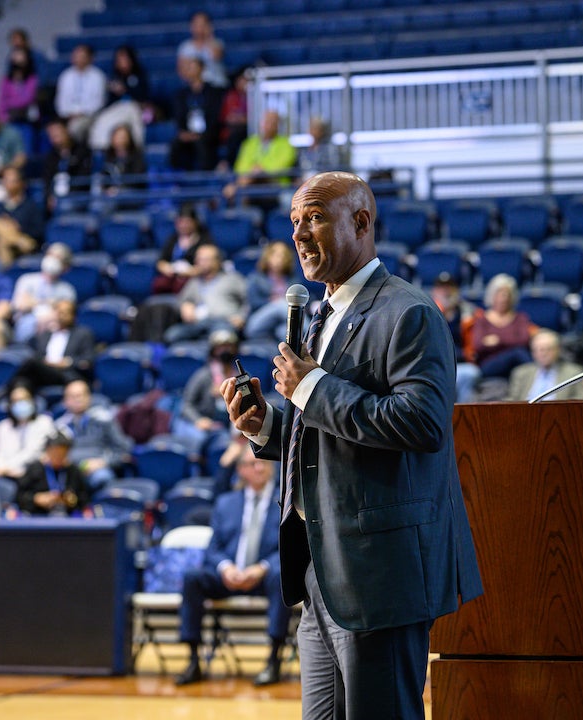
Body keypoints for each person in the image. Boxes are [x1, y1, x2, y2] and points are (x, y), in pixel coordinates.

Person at [220, 171, 482, 718]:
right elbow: (326, 435)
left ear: (361, 222)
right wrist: (264, 427)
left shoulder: (408, 313)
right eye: (294, 222)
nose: (299, 235)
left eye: (314, 218)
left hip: (378, 575)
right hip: (320, 569)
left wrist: (312, 387)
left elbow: (422, 423)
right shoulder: (322, 316)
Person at [174, 445, 288, 687]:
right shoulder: (226, 503)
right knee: (192, 577)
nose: (258, 467)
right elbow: (213, 549)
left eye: (263, 462)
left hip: (264, 577)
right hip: (230, 576)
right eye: (252, 463)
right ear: (241, 470)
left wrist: (262, 568)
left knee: (280, 576)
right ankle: (193, 660)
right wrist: (226, 568)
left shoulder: (284, 501)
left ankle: (273, 660)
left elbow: (292, 547)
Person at [54, 380, 132, 493]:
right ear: (65, 401)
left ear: (89, 397)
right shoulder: (60, 425)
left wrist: (103, 462)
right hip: (69, 470)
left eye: (81, 395)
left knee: (102, 477)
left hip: (97, 468)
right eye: (72, 396)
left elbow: (123, 449)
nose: (77, 399)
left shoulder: (104, 420)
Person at [172, 328, 242, 452]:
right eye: (221, 347)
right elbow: (186, 404)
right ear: (214, 350)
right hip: (203, 423)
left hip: (229, 425)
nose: (225, 350)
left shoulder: (241, 377)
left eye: (228, 346)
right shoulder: (203, 375)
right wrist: (198, 420)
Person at [163, 244, 248, 343]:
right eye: (198, 259)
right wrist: (184, 306)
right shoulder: (194, 282)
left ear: (217, 261)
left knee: (221, 338)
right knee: (172, 335)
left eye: (205, 259)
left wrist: (241, 317)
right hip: (197, 323)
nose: (200, 262)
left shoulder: (232, 279)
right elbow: (182, 300)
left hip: (223, 321)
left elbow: (247, 300)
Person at [462, 273, 537, 380]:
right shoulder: (482, 319)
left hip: (516, 365)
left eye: (507, 294)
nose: (504, 299)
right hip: (489, 365)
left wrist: (498, 341)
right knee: (517, 353)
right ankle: (537, 377)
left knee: (519, 354)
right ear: (492, 296)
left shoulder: (520, 318)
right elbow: (478, 345)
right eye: (500, 294)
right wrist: (511, 341)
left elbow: (524, 341)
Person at [222, 110, 297, 204]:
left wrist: (260, 170)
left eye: (273, 122)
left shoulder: (286, 144)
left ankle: (236, 187)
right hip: (250, 184)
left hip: (275, 186)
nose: (268, 125)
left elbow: (281, 167)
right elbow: (240, 168)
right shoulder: (250, 143)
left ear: (278, 125)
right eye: (266, 121)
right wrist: (255, 171)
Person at [88, 45, 150, 152]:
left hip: (136, 109)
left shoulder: (140, 76)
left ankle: (138, 148)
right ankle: (100, 147)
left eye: (125, 59)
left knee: (133, 113)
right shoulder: (114, 78)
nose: (122, 62)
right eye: (119, 59)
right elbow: (109, 102)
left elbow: (144, 97)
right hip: (117, 110)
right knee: (101, 120)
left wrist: (125, 90)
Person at [429, 273, 480, 403]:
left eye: (449, 287)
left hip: (461, 363)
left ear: (456, 290)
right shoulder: (428, 311)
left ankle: (463, 415)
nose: (446, 291)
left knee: (471, 373)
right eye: (442, 287)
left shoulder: (468, 311)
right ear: (435, 291)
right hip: (436, 364)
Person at [10, 243, 76, 342]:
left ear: (65, 267)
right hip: (25, 329)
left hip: (52, 330)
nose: (52, 260)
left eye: (57, 258)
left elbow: (63, 315)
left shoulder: (67, 290)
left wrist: (33, 302)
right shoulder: (27, 280)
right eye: (50, 255)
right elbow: (20, 305)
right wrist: (49, 303)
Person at [0, 166, 46, 266]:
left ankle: (16, 240)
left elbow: (39, 230)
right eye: (5, 180)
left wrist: (18, 227)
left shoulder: (31, 205)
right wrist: (5, 228)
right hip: (17, 243)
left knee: (1, 237)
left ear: (21, 183)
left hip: (26, 243)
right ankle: (17, 241)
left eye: (12, 181)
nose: (7, 184)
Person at [15, 430, 89, 516]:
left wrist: (70, 500)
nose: (58, 456)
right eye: (55, 452)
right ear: (47, 451)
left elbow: (84, 498)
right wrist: (36, 499)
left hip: (68, 518)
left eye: (62, 452)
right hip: (37, 517)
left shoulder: (73, 471)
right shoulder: (35, 469)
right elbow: (19, 497)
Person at [168, 57, 223, 172]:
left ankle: (205, 176)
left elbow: (215, 116)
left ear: (202, 69)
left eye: (193, 67)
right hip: (188, 132)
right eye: (188, 68)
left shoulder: (212, 92)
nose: (190, 70)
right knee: (175, 144)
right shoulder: (182, 94)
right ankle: (176, 178)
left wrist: (202, 134)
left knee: (202, 143)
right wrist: (184, 132)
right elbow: (179, 116)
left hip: (208, 133)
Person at [244, 241, 306, 341]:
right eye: (276, 255)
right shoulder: (255, 278)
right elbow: (253, 303)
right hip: (256, 323)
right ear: (268, 257)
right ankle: (308, 332)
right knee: (283, 303)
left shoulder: (294, 279)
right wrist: (272, 302)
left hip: (282, 323)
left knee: (283, 331)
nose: (280, 259)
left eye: (284, 256)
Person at [0, 384, 55, 481]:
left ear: (32, 401)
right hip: (7, 475)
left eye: (23, 400)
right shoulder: (3, 426)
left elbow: (32, 453)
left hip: (34, 475)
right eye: (15, 401)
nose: (19, 404)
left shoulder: (44, 422)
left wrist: (7, 467)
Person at [506, 329, 583, 402]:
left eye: (548, 349)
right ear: (533, 352)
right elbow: (511, 401)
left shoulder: (574, 372)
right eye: (540, 350)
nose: (544, 354)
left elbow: (579, 401)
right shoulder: (521, 373)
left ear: (558, 350)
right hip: (525, 414)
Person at [153, 205, 214, 295]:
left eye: (187, 222)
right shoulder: (173, 238)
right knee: (159, 284)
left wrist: (190, 272)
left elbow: (209, 263)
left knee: (182, 285)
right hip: (173, 276)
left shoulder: (204, 240)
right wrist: (167, 268)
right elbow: (161, 261)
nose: (184, 225)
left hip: (194, 277)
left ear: (195, 222)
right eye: (181, 222)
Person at [54, 43, 107, 140]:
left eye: (82, 56)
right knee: (55, 129)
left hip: (90, 116)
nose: (78, 59)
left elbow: (98, 102)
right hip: (67, 116)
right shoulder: (65, 76)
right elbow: (60, 101)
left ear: (90, 58)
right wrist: (68, 113)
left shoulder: (98, 76)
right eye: (76, 56)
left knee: (76, 127)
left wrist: (80, 113)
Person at [42, 119, 93, 213]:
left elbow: (84, 178)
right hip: (57, 197)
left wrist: (69, 193)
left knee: (66, 206)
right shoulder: (51, 158)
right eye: (52, 135)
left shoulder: (82, 152)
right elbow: (47, 180)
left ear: (66, 130)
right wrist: (49, 196)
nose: (55, 137)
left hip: (77, 195)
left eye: (57, 132)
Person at [176, 11, 227, 89]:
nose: (200, 28)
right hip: (195, 87)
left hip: (216, 86)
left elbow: (217, 56)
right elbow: (182, 71)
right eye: (196, 24)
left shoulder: (217, 43)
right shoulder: (185, 47)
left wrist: (209, 36)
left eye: (203, 24)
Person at [0, 46, 38, 124]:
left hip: (27, 117)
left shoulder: (32, 79)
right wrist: (3, 117)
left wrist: (10, 103)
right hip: (10, 118)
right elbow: (2, 101)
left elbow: (28, 99)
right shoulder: (6, 81)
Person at [219, 68, 250, 170]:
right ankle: (229, 164)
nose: (244, 83)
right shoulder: (231, 96)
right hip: (233, 130)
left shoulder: (256, 95)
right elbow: (228, 117)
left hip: (251, 130)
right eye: (242, 79)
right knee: (234, 135)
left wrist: (244, 119)